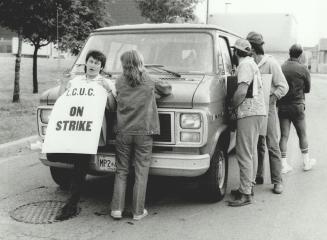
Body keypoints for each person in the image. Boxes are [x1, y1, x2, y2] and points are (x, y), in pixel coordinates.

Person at [110, 50, 171, 220]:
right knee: (141, 172)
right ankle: (137, 211)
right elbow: (166, 89)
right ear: (140, 62)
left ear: (123, 64)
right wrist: (153, 94)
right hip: (144, 131)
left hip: (123, 131)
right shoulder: (148, 79)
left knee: (121, 170)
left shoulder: (119, 81)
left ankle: (116, 209)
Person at [55, 50, 116, 220]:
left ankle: (72, 204)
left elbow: (112, 107)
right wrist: (63, 83)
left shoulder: (106, 83)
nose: (93, 65)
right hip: (75, 128)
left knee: (80, 164)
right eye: (91, 61)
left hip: (93, 130)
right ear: (85, 64)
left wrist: (108, 92)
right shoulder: (75, 82)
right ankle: (72, 201)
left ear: (101, 67)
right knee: (75, 162)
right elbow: (62, 101)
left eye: (97, 63)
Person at [246, 32, 289, 194]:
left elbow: (283, 86)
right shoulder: (249, 63)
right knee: (257, 144)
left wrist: (272, 97)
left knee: (272, 144)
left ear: (253, 47)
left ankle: (278, 181)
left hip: (268, 108)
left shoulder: (270, 63)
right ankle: (258, 175)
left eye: (249, 47)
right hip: (253, 109)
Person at [228, 39, 266, 207]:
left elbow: (242, 91)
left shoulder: (244, 65)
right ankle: (247, 188)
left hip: (248, 112)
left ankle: (245, 194)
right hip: (257, 112)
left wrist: (231, 107)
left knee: (243, 153)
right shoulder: (252, 63)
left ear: (236, 52)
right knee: (251, 152)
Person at [279, 44, 316, 172]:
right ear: (300, 55)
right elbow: (308, 89)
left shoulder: (281, 67)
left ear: (290, 53)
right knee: (302, 134)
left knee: (284, 136)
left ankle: (283, 165)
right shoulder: (303, 69)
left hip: (283, 106)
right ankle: (306, 163)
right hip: (297, 106)